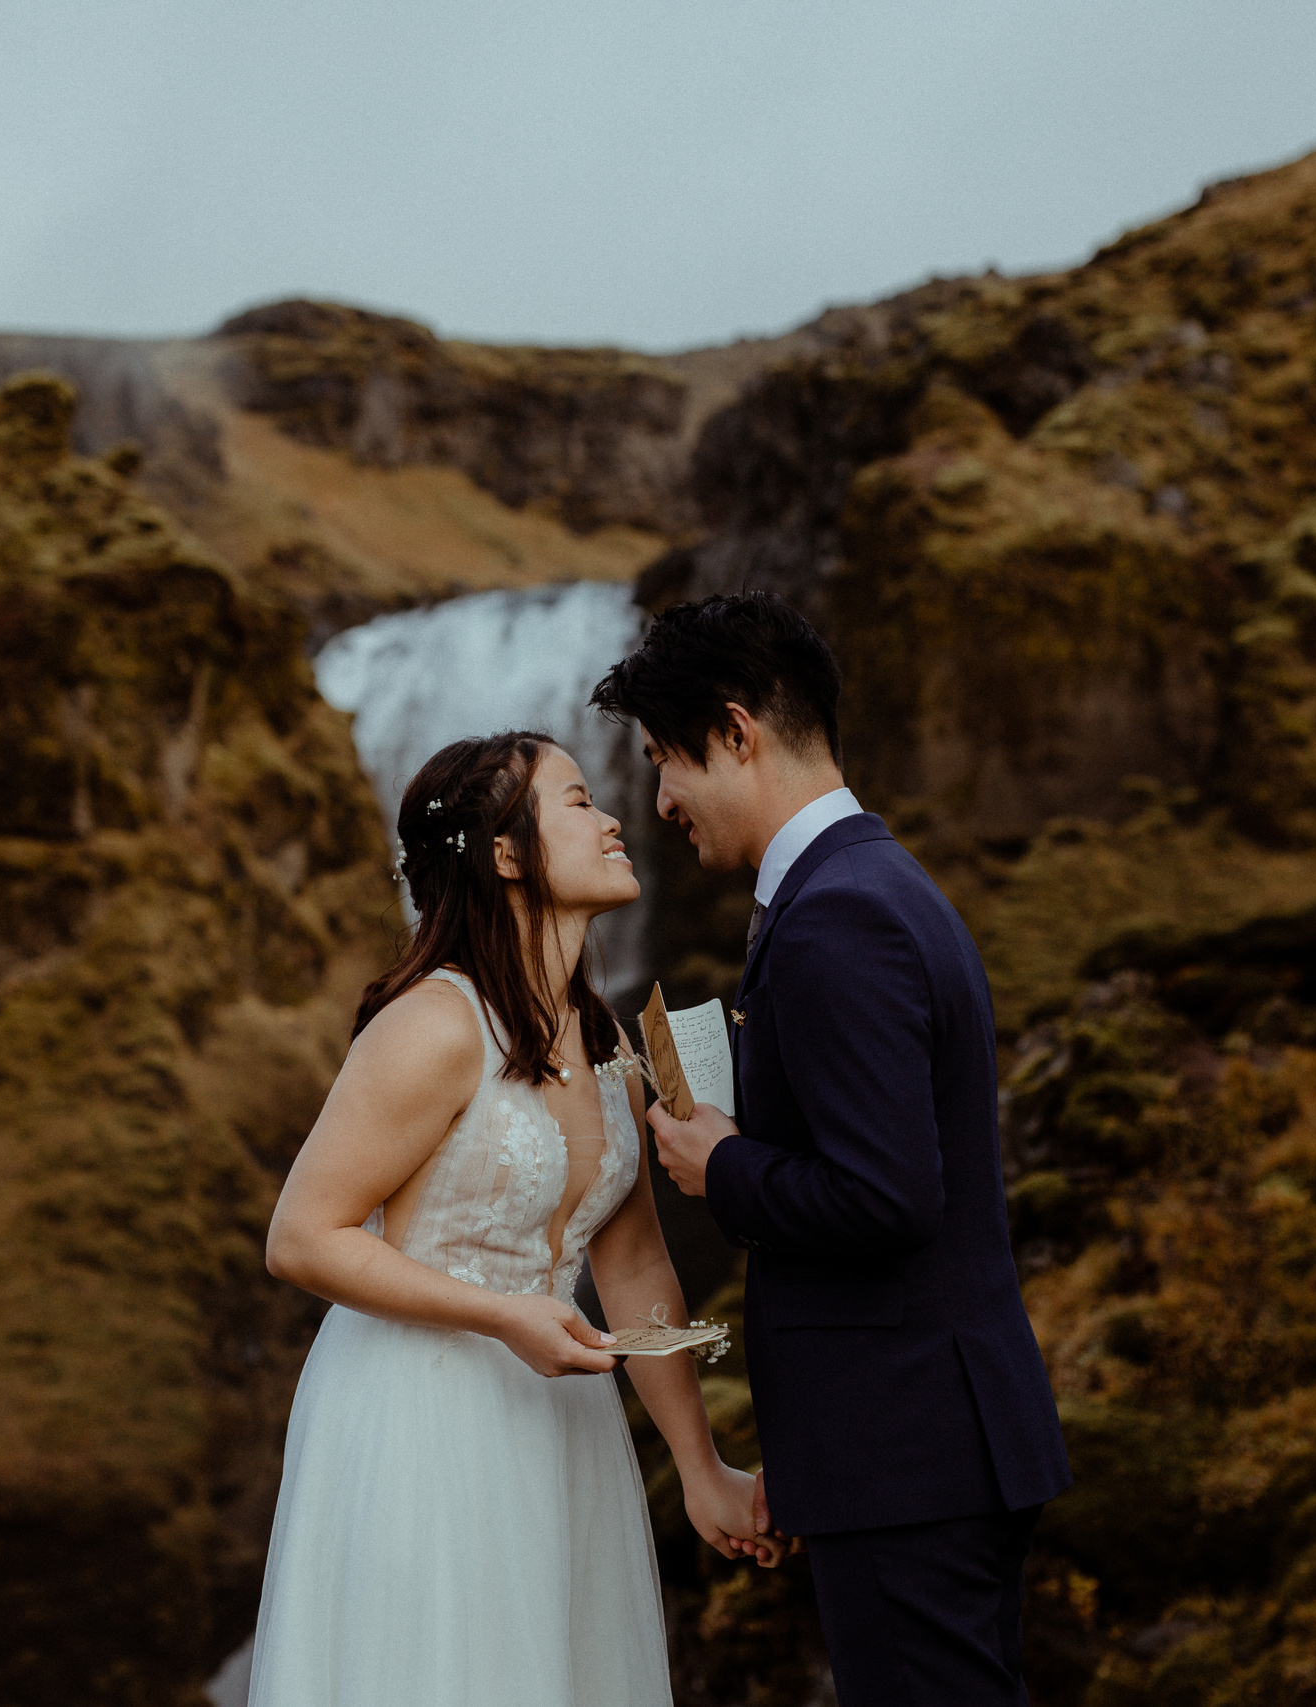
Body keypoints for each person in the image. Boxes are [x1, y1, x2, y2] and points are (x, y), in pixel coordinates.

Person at [591, 592, 1075, 1706]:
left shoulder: (835, 916)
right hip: (926, 1444)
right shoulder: (867, 883)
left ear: (736, 732)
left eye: (667, 759)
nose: (658, 800)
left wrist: (719, 1167)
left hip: (904, 1452)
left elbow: (886, 1195)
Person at [250, 730, 769, 1707]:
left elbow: (634, 1267)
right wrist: (500, 1314)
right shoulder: (432, 1026)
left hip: (561, 1417)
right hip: (421, 1414)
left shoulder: (609, 1034)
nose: (616, 818)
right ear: (502, 853)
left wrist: (700, 1468)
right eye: (579, 801)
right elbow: (301, 1236)